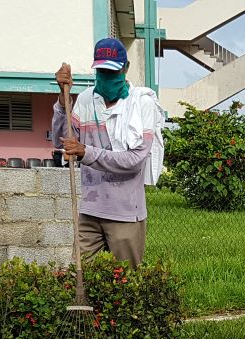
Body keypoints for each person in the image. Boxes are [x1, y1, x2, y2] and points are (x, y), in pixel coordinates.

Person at [52, 38, 164, 268]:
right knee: (79, 276)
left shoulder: (141, 103)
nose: (106, 77)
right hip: (90, 211)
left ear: (125, 69)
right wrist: (63, 102)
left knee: (126, 281)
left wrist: (85, 152)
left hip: (124, 213)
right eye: (101, 71)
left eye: (112, 71)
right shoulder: (85, 100)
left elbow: (134, 160)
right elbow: (63, 141)